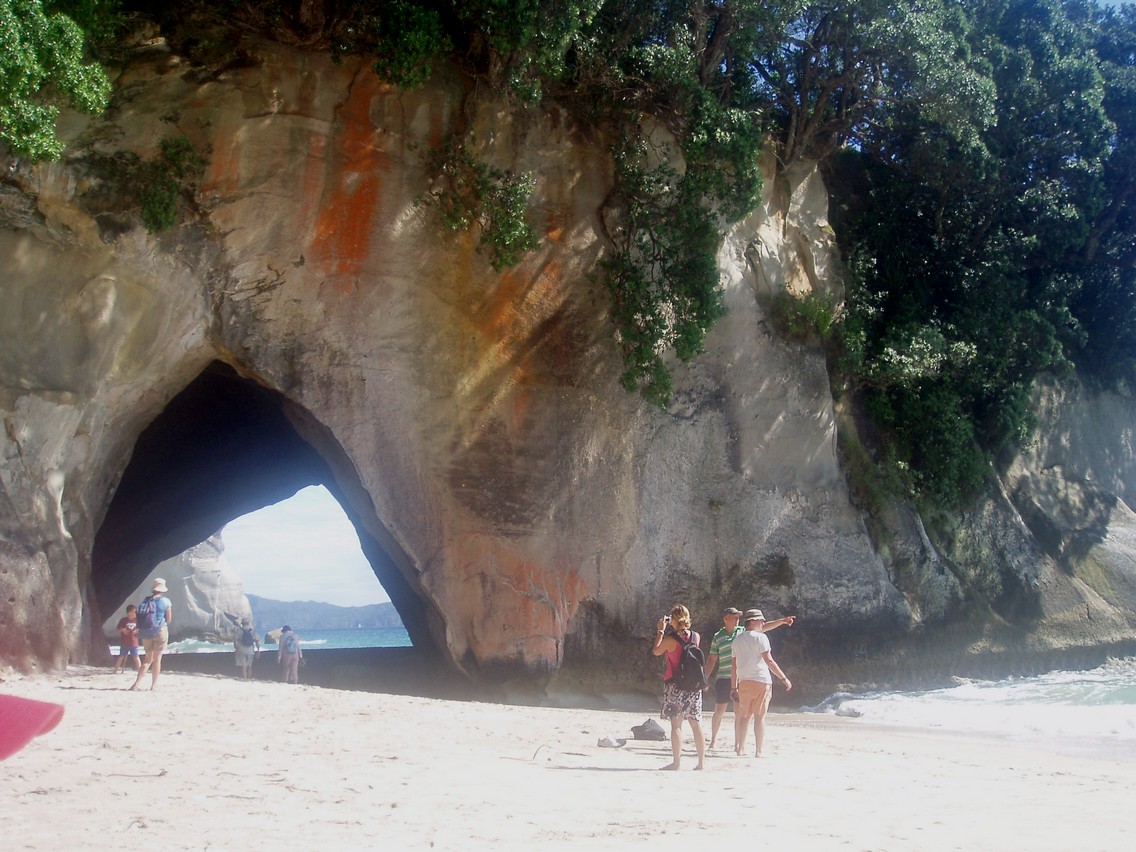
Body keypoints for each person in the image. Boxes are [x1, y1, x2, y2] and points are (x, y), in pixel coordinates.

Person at [704, 606, 796, 749]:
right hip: (724, 676)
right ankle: (714, 740)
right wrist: (705, 678)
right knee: (720, 710)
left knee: (740, 713)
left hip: (740, 679)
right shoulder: (718, 636)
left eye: (738, 617)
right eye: (734, 617)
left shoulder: (741, 632)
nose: (737, 619)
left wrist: (782, 621)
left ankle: (737, 745)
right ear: (726, 618)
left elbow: (763, 627)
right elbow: (712, 658)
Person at [730, 609, 792, 758]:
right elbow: (769, 660)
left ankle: (740, 749)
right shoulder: (761, 638)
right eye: (761, 620)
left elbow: (734, 666)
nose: (763, 623)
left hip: (744, 682)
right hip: (761, 681)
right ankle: (758, 751)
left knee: (745, 716)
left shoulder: (737, 640)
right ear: (752, 621)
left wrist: (733, 687)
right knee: (759, 717)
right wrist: (783, 678)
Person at [652, 604, 706, 770]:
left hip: (675, 686)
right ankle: (701, 763)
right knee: (696, 724)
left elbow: (656, 651)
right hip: (693, 686)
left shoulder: (670, 640)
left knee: (676, 725)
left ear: (673, 620)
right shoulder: (696, 637)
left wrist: (661, 630)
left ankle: (676, 763)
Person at [130, 578, 173, 692]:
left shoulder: (146, 600)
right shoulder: (166, 601)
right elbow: (169, 619)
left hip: (146, 632)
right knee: (157, 659)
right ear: (163, 589)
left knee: (147, 659)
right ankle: (153, 686)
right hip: (160, 631)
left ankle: (136, 684)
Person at [113, 604, 142, 674]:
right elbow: (118, 628)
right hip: (124, 643)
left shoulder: (137, 621)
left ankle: (140, 671)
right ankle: (115, 670)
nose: (135, 613)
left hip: (134, 643)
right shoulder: (123, 620)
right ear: (129, 612)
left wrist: (137, 631)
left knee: (136, 657)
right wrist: (123, 630)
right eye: (134, 612)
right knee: (121, 657)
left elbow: (141, 628)